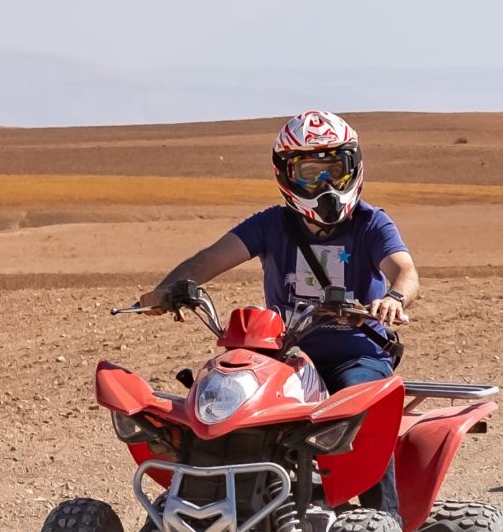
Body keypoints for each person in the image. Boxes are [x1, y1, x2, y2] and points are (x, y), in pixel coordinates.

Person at [140, 110, 416, 394]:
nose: (326, 184)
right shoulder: (271, 225)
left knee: (354, 401)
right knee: (231, 396)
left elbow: (404, 271)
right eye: (310, 173)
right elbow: (210, 259)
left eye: (335, 170)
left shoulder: (370, 223)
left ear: (353, 168)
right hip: (288, 357)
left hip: (358, 357)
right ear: (286, 174)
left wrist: (394, 298)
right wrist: (166, 290)